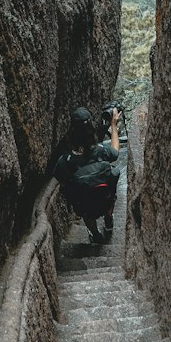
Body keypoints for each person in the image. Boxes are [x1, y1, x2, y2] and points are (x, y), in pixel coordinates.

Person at [52, 105, 121, 244]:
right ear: (91, 128)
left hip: (85, 206)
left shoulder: (65, 161)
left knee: (81, 202)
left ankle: (95, 234)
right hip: (105, 199)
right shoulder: (101, 151)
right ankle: (108, 218)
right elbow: (115, 152)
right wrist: (113, 126)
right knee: (111, 177)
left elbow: (61, 180)